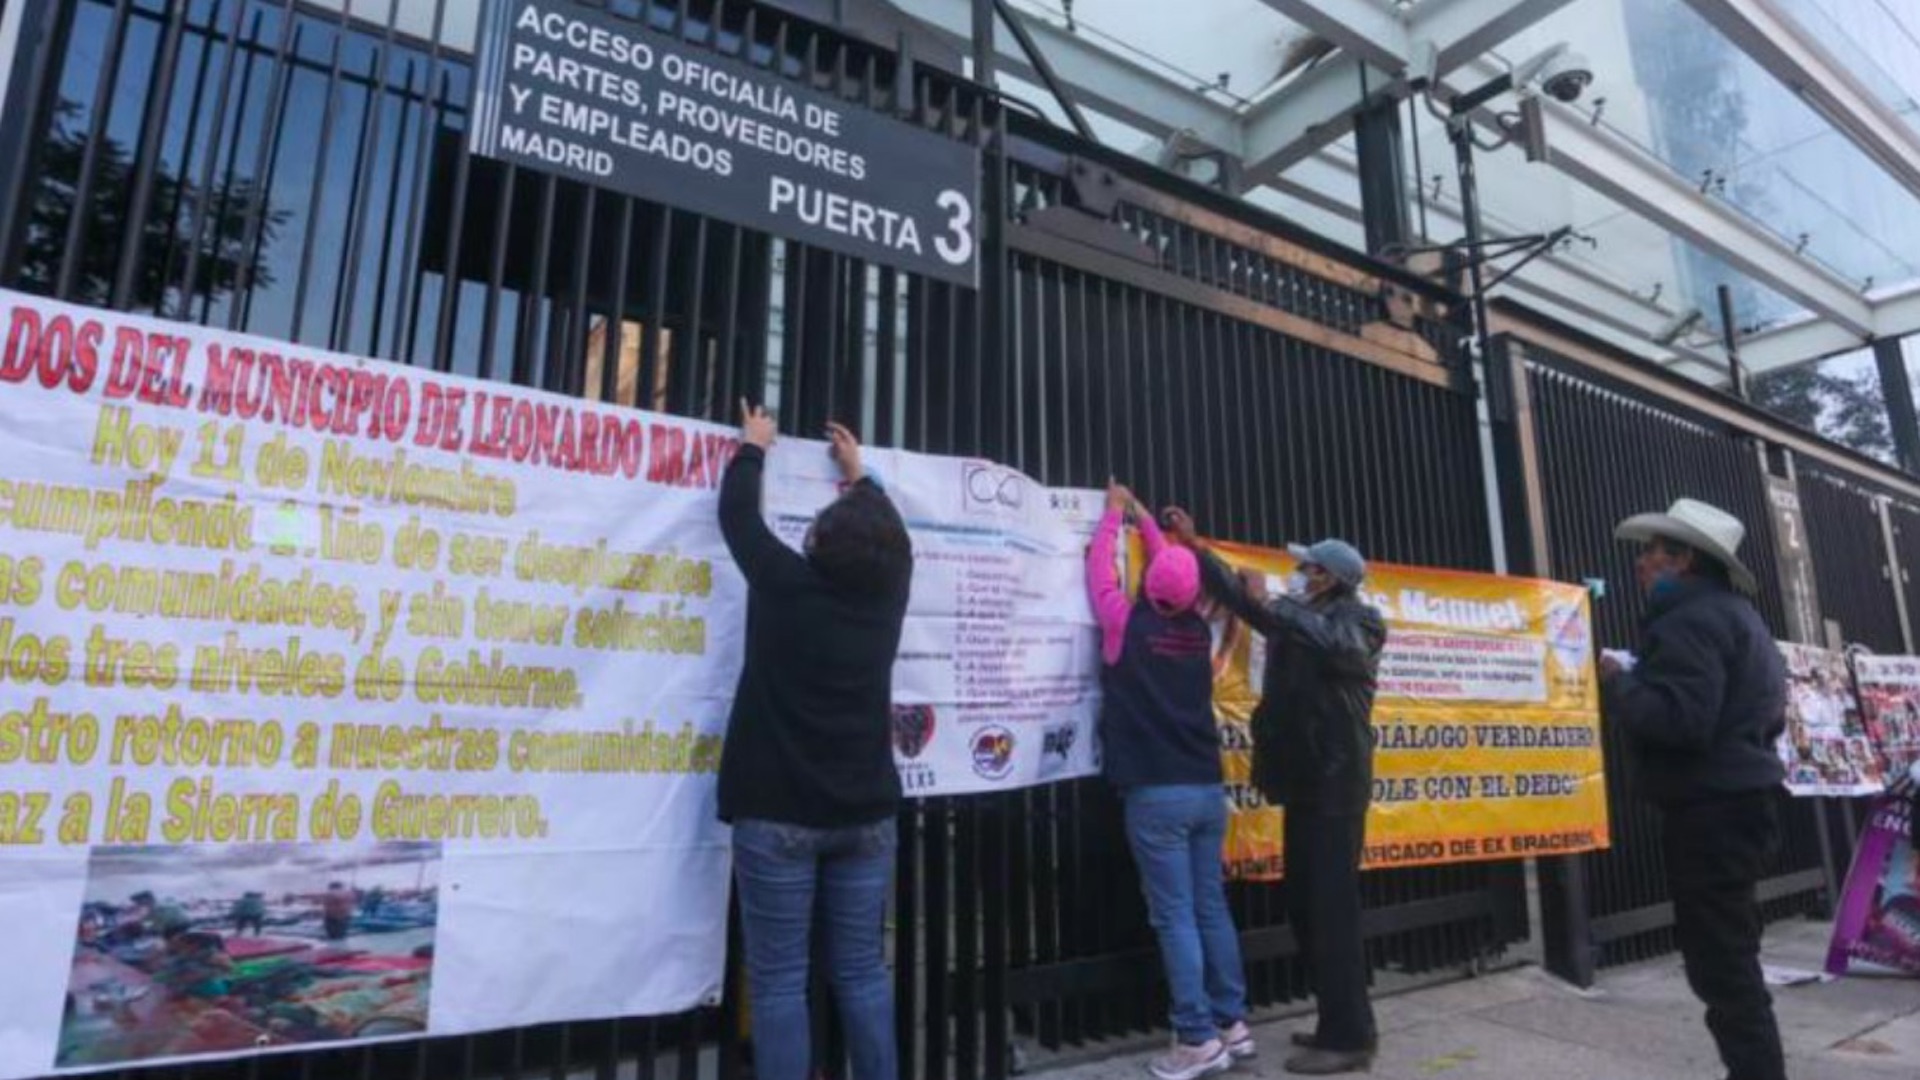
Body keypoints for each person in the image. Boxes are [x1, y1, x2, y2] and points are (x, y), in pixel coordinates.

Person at [717, 402, 914, 1080]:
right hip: (866, 815)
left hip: (777, 812)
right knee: (861, 971)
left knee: (778, 980)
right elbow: (895, 538)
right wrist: (862, 475)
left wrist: (753, 447)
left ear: (820, 544)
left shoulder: (787, 587)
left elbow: (737, 520)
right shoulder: (888, 596)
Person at [1163, 508, 1386, 1077]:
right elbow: (1247, 605)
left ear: (1328, 578)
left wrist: (1276, 601)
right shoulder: (1302, 619)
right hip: (1306, 783)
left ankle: (1351, 1037)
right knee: (1306, 908)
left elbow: (1338, 645)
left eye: (1305, 568)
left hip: (1336, 788)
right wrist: (1197, 548)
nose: (1296, 574)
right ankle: (1336, 1020)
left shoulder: (1358, 621)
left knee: (1331, 912)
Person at [1599, 498, 1788, 1080]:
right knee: (1733, 953)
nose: (1642, 562)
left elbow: (1681, 721)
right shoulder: (1739, 617)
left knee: (1721, 965)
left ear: (1684, 560)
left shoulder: (1685, 618)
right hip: (1745, 801)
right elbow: (1764, 713)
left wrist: (1622, 681)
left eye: (1653, 551)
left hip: (1710, 811)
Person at [1087, 482, 1251, 1079]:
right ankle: (1233, 1023)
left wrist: (1112, 519)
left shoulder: (1123, 626)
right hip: (1207, 790)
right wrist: (1151, 526)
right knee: (1210, 907)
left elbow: (1100, 576)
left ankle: (1196, 1038)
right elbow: (1172, 577)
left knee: (1175, 915)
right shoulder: (1197, 634)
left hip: (1156, 794)